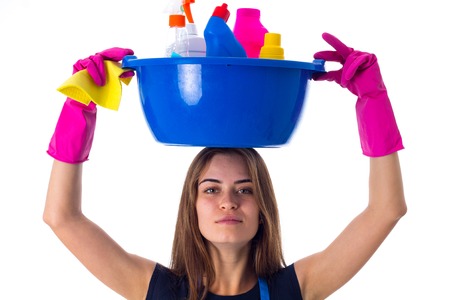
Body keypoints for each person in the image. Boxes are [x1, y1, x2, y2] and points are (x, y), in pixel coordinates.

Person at [44, 32, 407, 300]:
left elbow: (386, 210)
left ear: (263, 210)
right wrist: (80, 107)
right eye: (212, 188)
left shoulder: (294, 290)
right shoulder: (159, 291)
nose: (228, 202)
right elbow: (62, 217)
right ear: (192, 207)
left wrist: (373, 101)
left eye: (245, 190)